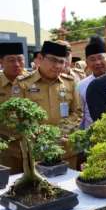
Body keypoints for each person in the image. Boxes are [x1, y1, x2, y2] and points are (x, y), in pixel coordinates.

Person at [12, 41, 82, 170]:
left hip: (65, 148)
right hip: (38, 150)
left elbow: (77, 111)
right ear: (40, 58)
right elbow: (18, 114)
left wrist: (62, 132)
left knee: (68, 185)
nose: (57, 66)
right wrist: (43, 135)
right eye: (53, 60)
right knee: (42, 187)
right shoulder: (23, 83)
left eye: (62, 62)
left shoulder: (70, 82)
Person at [0, 43, 26, 174]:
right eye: (11, 60)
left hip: (34, 146)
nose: (17, 64)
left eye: (20, 59)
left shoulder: (33, 80)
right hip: (6, 150)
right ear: (1, 62)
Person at [77, 36, 106, 130]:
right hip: (90, 138)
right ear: (87, 63)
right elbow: (80, 116)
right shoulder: (81, 86)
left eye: (100, 58)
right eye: (92, 59)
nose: (97, 62)